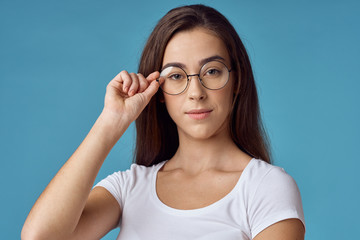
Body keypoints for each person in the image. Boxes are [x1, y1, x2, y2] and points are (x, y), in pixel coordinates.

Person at [22, 4, 305, 240]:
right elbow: (41, 236)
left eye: (212, 71)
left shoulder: (266, 188)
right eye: (176, 76)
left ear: (237, 80)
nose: (196, 92)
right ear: (157, 92)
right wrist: (111, 122)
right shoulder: (129, 187)